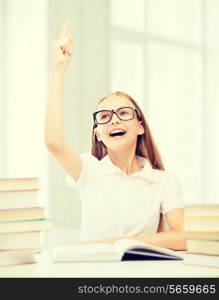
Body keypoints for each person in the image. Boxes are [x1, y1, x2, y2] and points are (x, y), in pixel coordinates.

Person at [45, 22, 187, 251]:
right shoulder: (88, 170)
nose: (114, 120)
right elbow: (54, 142)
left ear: (141, 126)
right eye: (104, 116)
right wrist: (58, 71)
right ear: (98, 134)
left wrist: (111, 245)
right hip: (90, 276)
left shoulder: (164, 181)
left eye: (123, 113)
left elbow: (180, 238)